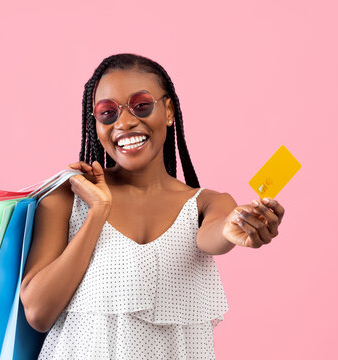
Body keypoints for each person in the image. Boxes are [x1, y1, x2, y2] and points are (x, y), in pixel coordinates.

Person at [20, 53, 285, 359]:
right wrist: (97, 212)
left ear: (169, 110)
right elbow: (38, 312)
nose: (125, 122)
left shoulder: (206, 204)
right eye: (108, 112)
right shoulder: (67, 197)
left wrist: (234, 228)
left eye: (141, 105)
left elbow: (214, 234)